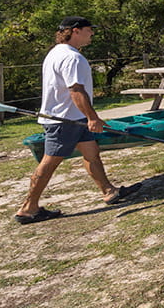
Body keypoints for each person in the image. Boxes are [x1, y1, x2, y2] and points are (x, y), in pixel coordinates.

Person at [14, 16, 141, 224]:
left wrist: (88, 117)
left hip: (75, 117)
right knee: (49, 163)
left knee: (92, 154)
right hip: (65, 121)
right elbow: (75, 90)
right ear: (75, 30)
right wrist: (93, 118)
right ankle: (28, 209)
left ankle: (109, 191)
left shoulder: (57, 52)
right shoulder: (72, 58)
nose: (92, 33)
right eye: (89, 29)